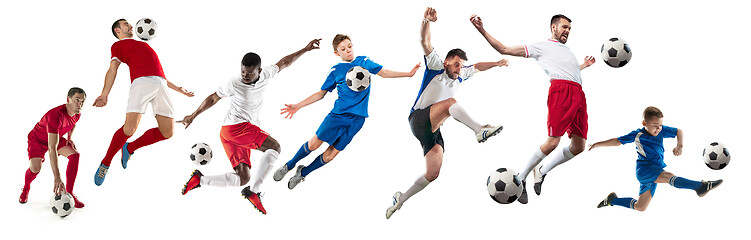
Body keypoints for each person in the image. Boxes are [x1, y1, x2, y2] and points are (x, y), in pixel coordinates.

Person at [386, 7, 508, 219]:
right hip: (418, 119)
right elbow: (425, 42)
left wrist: (497, 63)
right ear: (447, 62)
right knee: (450, 102)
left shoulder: (460, 74)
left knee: (433, 173)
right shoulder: (436, 67)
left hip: (432, 130)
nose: (459, 70)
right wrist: (426, 20)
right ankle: (480, 130)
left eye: (461, 67)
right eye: (456, 65)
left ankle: (400, 199)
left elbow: (477, 66)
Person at [179, 39, 321, 214]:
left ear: (259, 71)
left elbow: (284, 63)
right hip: (236, 128)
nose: (245, 76)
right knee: (275, 147)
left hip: (232, 133)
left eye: (249, 73)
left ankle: (200, 180)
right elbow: (213, 98)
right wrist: (193, 115)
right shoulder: (234, 83)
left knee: (243, 177)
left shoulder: (266, 74)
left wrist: (305, 49)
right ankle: (253, 192)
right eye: (243, 72)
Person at [470, 14, 596, 203]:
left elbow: (568, 71)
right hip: (561, 93)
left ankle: (542, 171)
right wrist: (481, 30)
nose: (567, 31)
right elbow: (503, 48)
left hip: (579, 94)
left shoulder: (567, 50)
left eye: (569, 28)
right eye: (564, 27)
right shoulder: (541, 47)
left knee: (579, 147)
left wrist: (583, 66)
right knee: (553, 142)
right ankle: (521, 178)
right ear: (553, 27)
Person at [273, 34, 420, 190]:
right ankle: (289, 165)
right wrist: (298, 106)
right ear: (337, 53)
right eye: (343, 49)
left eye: (349, 46)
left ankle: (303, 172)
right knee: (314, 145)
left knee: (330, 156)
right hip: (338, 116)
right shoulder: (336, 70)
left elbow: (384, 72)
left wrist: (408, 74)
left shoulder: (364, 62)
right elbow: (320, 94)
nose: (348, 50)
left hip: (358, 120)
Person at [93, 19, 194, 186]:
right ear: (117, 30)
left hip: (161, 85)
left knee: (167, 132)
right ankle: (106, 162)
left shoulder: (145, 45)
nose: (131, 26)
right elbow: (112, 69)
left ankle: (129, 148)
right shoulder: (117, 46)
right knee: (129, 129)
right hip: (141, 83)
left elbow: (158, 73)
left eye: (130, 24)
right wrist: (105, 94)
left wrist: (178, 89)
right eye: (126, 24)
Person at [589, 106, 722, 211]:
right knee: (668, 176)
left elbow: (678, 131)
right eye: (654, 125)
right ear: (644, 123)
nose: (658, 129)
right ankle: (700, 186)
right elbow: (617, 141)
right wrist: (597, 144)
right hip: (645, 169)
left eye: (660, 125)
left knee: (640, 207)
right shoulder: (638, 134)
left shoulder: (661, 129)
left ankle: (612, 200)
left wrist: (679, 145)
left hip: (655, 170)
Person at [20, 87, 86, 208]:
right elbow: (52, 148)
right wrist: (57, 177)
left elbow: (72, 124)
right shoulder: (56, 115)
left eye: (82, 101)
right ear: (68, 99)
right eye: (77, 100)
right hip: (37, 140)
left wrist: (70, 138)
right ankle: (26, 188)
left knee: (75, 155)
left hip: (55, 137)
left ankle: (70, 193)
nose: (80, 104)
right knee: (35, 169)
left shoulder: (77, 114)